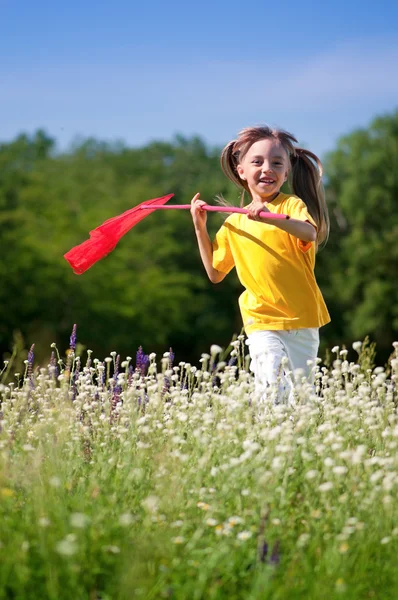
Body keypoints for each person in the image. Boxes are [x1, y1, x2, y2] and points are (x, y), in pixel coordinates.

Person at [190, 125, 330, 404]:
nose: (267, 168)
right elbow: (215, 273)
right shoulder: (233, 223)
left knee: (302, 399)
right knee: (271, 387)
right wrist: (199, 229)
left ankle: (296, 444)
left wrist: (270, 218)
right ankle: (270, 439)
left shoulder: (291, 206)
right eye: (257, 162)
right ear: (241, 170)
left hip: (302, 319)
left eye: (277, 163)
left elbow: (309, 233)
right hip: (261, 319)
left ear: (286, 172)